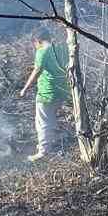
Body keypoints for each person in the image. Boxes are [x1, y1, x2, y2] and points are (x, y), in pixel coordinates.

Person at [19, 30, 70, 162]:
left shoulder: (42, 51)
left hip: (47, 93)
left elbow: (37, 71)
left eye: (34, 44)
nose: (35, 47)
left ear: (37, 41)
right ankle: (49, 142)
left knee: (43, 122)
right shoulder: (61, 48)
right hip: (63, 90)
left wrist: (25, 88)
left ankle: (44, 151)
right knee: (51, 119)